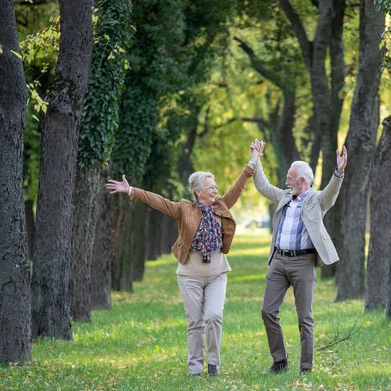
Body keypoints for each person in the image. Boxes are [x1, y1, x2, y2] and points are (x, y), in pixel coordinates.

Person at [105, 148, 260, 376]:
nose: (215, 190)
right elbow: (158, 201)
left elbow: (238, 185)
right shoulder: (184, 209)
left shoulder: (222, 205)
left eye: (216, 187)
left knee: (214, 316)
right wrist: (131, 190)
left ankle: (214, 363)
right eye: (210, 187)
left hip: (217, 272)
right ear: (197, 192)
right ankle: (195, 368)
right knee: (195, 322)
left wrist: (253, 159)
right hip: (189, 274)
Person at [250, 139, 347, 374]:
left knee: (304, 317)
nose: (286, 181)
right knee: (267, 311)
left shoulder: (317, 200)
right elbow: (262, 186)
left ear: (302, 181)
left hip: (303, 263)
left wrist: (339, 172)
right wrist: (256, 159)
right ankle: (280, 361)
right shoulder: (284, 196)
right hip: (278, 261)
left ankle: (306, 367)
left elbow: (331, 194)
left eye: (289, 178)